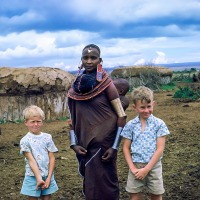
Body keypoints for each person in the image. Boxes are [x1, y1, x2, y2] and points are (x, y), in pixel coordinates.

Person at [67, 44, 127, 200]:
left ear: (100, 60)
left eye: (93, 58)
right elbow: (72, 119)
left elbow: (122, 116)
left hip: (104, 146)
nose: (89, 61)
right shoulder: (75, 88)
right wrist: (74, 144)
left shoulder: (108, 85)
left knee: (107, 183)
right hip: (85, 146)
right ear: (81, 60)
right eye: (85, 58)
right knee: (91, 184)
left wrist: (114, 147)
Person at [120, 86, 170, 200]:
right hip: (136, 166)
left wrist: (147, 169)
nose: (146, 110)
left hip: (154, 166)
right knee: (134, 196)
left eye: (149, 106)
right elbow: (126, 148)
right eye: (142, 107)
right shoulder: (131, 125)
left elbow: (160, 149)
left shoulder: (159, 124)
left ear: (153, 104)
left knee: (156, 195)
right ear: (135, 107)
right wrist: (132, 168)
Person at [20, 105, 58, 200]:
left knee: (47, 197)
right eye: (32, 122)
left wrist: (49, 177)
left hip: (47, 174)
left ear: (42, 122)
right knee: (33, 198)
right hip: (32, 176)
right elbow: (31, 160)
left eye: (38, 121)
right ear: (26, 122)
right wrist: (38, 178)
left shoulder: (47, 137)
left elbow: (52, 158)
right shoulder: (25, 141)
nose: (36, 124)